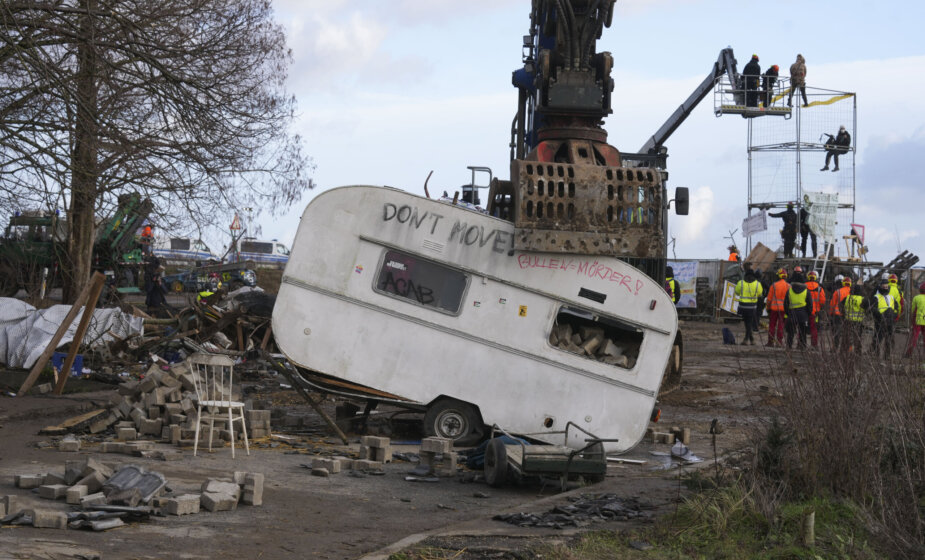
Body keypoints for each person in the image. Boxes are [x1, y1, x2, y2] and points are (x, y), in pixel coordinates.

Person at [868, 278, 899, 358]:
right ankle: (875, 354)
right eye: (884, 286)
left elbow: (896, 307)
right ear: (880, 287)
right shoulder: (876, 297)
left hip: (890, 320)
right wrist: (879, 315)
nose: (885, 288)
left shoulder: (891, 297)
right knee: (878, 338)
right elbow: (872, 309)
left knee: (889, 339)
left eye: (886, 286)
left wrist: (894, 314)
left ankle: (887, 355)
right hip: (880, 321)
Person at [735, 269, 763, 345]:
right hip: (752, 307)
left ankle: (750, 339)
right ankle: (747, 339)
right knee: (749, 322)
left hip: (742, 306)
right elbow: (760, 294)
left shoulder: (741, 283)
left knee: (747, 322)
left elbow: (737, 292)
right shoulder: (757, 284)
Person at [783, 269, 810, 350]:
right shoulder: (806, 291)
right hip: (803, 314)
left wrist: (788, 313)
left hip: (792, 313)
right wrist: (807, 314)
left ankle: (789, 346)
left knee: (790, 332)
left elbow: (786, 303)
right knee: (803, 332)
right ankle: (803, 346)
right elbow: (810, 304)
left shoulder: (789, 291)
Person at [765, 268, 790, 347]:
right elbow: (790, 299)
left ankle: (770, 342)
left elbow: (769, 299)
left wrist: (767, 308)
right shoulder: (788, 286)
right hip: (784, 309)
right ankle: (779, 342)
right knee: (781, 325)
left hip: (774, 309)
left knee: (772, 325)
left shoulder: (774, 285)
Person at [841, 281, 866, 353]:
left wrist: (843, 315)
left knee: (846, 337)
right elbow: (868, 309)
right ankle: (857, 353)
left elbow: (841, 306)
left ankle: (844, 352)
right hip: (858, 322)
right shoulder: (863, 299)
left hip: (848, 320)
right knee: (857, 338)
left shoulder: (847, 298)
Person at [828, 276, 852, 350]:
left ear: (843, 283)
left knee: (836, 332)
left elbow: (832, 304)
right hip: (849, 315)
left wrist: (830, 313)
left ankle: (834, 348)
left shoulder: (838, 291)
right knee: (848, 332)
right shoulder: (852, 292)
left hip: (837, 315)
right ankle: (848, 349)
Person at [805, 271, 826, 348]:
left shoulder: (804, 286)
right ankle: (814, 345)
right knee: (814, 328)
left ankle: (801, 344)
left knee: (802, 328)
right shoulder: (820, 288)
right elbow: (822, 301)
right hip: (815, 311)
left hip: (805, 310)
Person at [904, 282, 925, 357]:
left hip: (917, 320)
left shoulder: (916, 298)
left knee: (914, 337)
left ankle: (909, 353)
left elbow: (913, 309)